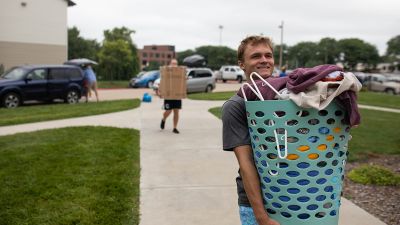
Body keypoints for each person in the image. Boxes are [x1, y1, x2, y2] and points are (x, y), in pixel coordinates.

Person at [222, 36, 280, 225]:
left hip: (299, 195)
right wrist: (262, 217)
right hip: (258, 203)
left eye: (268, 55)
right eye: (256, 56)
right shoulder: (236, 106)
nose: (264, 60)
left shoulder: (291, 98)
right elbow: (246, 164)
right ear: (242, 64)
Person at [160, 59, 181, 134]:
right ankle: (163, 119)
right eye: (173, 63)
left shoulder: (180, 73)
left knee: (176, 112)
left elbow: (183, 83)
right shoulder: (166, 72)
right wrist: (161, 92)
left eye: (176, 64)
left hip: (177, 95)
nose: (174, 65)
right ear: (170, 64)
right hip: (168, 95)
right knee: (168, 111)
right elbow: (162, 82)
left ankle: (175, 128)